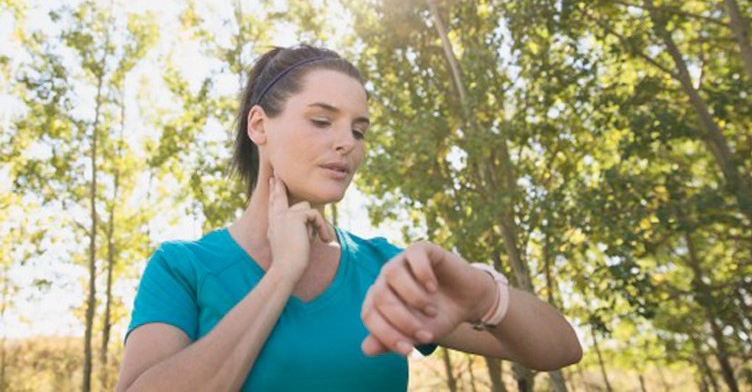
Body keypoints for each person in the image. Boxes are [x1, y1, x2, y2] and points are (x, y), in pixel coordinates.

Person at [116, 44, 582, 391]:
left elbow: (561, 348)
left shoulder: (382, 267)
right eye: (322, 121)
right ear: (259, 125)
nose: (347, 144)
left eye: (358, 130)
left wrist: (483, 292)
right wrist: (282, 275)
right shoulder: (184, 268)